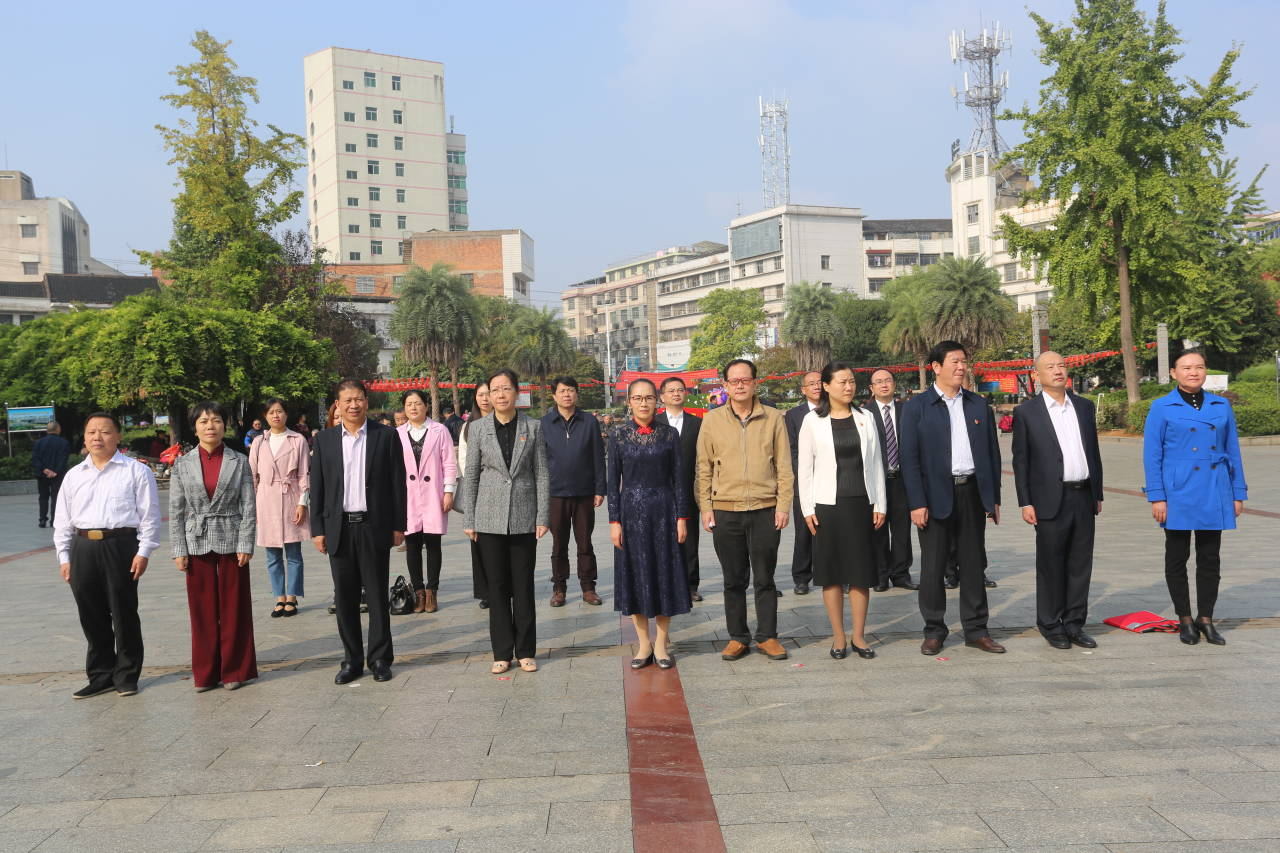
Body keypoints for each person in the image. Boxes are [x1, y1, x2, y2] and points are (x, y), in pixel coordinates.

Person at [900, 341, 1005, 655]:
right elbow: (909, 459)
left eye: (963, 361)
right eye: (954, 362)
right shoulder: (917, 407)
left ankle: (976, 629)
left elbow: (992, 454)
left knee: (973, 564)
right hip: (934, 497)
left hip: (971, 492)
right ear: (936, 367)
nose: (961, 367)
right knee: (933, 566)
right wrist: (917, 503)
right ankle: (934, 630)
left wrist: (993, 498)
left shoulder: (977, 405)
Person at [53, 412, 161, 698]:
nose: (97, 437)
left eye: (105, 431)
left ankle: (126, 675)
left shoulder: (135, 471)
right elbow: (62, 520)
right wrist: (64, 556)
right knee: (91, 614)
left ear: (118, 436)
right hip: (82, 547)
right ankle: (101, 675)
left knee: (123, 612)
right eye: (91, 432)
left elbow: (149, 516)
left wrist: (144, 551)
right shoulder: (74, 475)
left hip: (120, 545)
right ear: (84, 437)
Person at [1143, 349, 1247, 646]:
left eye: (1199, 367)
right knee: (1177, 556)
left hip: (1214, 486)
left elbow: (1233, 450)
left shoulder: (1221, 405)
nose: (1193, 372)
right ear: (1173, 373)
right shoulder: (1161, 406)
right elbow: (1152, 455)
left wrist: (1237, 492)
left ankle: (1206, 618)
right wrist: (1157, 496)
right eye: (1186, 367)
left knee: (1210, 557)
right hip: (1177, 489)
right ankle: (1185, 619)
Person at [696, 359, 794, 662]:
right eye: (734, 381)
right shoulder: (712, 421)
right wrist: (706, 507)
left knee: (765, 577)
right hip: (726, 510)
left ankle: (768, 636)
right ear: (725, 385)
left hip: (765, 509)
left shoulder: (773, 418)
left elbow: (784, 466)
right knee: (733, 579)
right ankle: (737, 637)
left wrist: (783, 505)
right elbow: (703, 467)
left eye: (745, 380)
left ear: (755, 383)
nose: (740, 385)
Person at [310, 379, 408, 684]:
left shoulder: (385, 436)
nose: (353, 405)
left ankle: (380, 659)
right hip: (338, 527)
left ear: (366, 401)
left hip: (373, 525)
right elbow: (317, 487)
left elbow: (397, 483)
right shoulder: (324, 440)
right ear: (337, 405)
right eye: (347, 400)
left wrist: (399, 525)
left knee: (377, 596)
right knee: (345, 598)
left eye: (358, 399)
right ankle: (351, 660)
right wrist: (318, 528)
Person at [1013, 353, 1105, 649]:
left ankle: (1075, 623)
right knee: (1051, 564)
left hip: (1083, 495)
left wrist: (1097, 492)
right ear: (1037, 376)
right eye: (1050, 367)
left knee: (1080, 563)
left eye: (1061, 365)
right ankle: (1051, 624)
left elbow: (1093, 452)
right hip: (1049, 499)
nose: (1057, 371)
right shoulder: (1027, 412)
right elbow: (1021, 461)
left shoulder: (1084, 407)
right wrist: (1025, 501)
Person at [461, 368, 550, 675]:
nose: (500, 395)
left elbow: (542, 473)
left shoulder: (533, 427)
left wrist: (542, 516)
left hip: (524, 516)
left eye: (506, 389)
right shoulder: (477, 429)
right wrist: (470, 518)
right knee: (496, 587)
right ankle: (501, 652)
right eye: (495, 389)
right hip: (488, 518)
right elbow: (471, 475)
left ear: (516, 393)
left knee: (523, 586)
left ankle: (525, 651)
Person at [797, 362, 886, 659]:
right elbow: (805, 469)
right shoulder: (812, 421)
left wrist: (880, 503)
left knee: (861, 572)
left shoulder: (866, 417)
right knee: (831, 573)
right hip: (827, 506)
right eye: (842, 382)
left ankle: (859, 636)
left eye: (852, 382)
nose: (849, 387)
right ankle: (838, 637)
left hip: (862, 503)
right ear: (826, 386)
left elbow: (876, 463)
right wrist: (807, 508)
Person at [170, 401, 258, 691]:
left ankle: (235, 670)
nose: (211, 426)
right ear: (194, 428)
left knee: (235, 608)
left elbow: (249, 506)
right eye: (204, 421)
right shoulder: (182, 464)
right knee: (202, 611)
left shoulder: (239, 461)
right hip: (196, 539)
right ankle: (206, 673)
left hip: (232, 539)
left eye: (216, 420)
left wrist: (246, 542)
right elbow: (176, 511)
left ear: (224, 425)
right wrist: (179, 549)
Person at [610, 379, 690, 669]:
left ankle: (661, 643)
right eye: (637, 398)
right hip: (631, 513)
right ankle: (643, 643)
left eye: (648, 398)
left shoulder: (669, 434)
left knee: (664, 574)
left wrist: (682, 517)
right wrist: (614, 520)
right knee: (636, 576)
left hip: (664, 512)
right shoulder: (618, 435)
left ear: (657, 401)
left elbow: (679, 478)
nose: (643, 403)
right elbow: (612, 482)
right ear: (629, 402)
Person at [541, 376, 606, 607]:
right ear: (554, 395)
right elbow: (540, 461)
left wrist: (600, 488)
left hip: (584, 492)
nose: (566, 394)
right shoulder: (545, 423)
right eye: (562, 391)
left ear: (577, 393)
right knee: (559, 544)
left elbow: (598, 455)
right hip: (555, 493)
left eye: (570, 390)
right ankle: (559, 588)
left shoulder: (589, 421)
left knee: (584, 542)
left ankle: (588, 587)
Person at [397, 389, 457, 613]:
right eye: (409, 404)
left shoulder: (439, 430)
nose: (413, 407)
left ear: (426, 406)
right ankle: (418, 592)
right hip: (409, 495)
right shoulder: (397, 434)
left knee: (433, 544)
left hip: (433, 493)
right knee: (412, 544)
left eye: (417, 403)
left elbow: (449, 463)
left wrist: (448, 491)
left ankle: (432, 592)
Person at [248, 398, 309, 618]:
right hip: (266, 499)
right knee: (272, 554)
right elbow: (252, 476)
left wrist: (302, 502)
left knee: (293, 552)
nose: (276, 415)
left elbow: (304, 474)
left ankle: (292, 596)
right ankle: (279, 597)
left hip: (291, 497)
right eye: (271, 412)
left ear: (286, 414)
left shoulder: (297, 440)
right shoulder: (259, 442)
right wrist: (253, 506)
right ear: (265, 416)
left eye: (280, 411)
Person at [867, 369, 918, 592]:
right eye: (878, 382)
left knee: (901, 529)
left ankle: (901, 574)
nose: (884, 385)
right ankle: (880, 575)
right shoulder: (864, 414)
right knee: (877, 528)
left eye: (887, 380)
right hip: (876, 480)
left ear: (894, 384)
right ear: (871, 388)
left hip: (902, 480)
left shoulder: (907, 411)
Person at [656, 376, 703, 602]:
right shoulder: (654, 423)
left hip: (689, 488)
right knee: (662, 538)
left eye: (680, 390)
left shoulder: (697, 424)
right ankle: (665, 583)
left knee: (690, 538)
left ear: (685, 394)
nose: (676, 393)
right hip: (660, 490)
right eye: (671, 390)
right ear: (662, 396)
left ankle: (690, 584)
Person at [784, 371, 823, 596]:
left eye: (819, 382)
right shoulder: (794, 415)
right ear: (803, 390)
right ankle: (801, 577)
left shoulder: (836, 409)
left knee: (833, 531)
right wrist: (806, 472)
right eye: (811, 384)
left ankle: (836, 575)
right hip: (804, 481)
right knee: (803, 532)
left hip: (832, 480)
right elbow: (791, 449)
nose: (816, 387)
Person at [458, 380, 494, 609]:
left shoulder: (505, 422)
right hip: (478, 491)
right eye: (480, 395)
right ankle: (485, 591)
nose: (484, 398)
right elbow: (463, 460)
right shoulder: (468, 426)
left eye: (488, 394)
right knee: (479, 542)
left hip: (500, 489)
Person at [32, 420, 71, 528]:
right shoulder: (64, 443)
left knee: (43, 497)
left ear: (47, 430)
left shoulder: (38, 443)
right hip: (58, 475)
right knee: (56, 497)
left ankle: (42, 520)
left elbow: (35, 459)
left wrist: (44, 469)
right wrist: (55, 471)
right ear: (58, 429)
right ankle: (54, 520)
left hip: (42, 475)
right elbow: (63, 459)